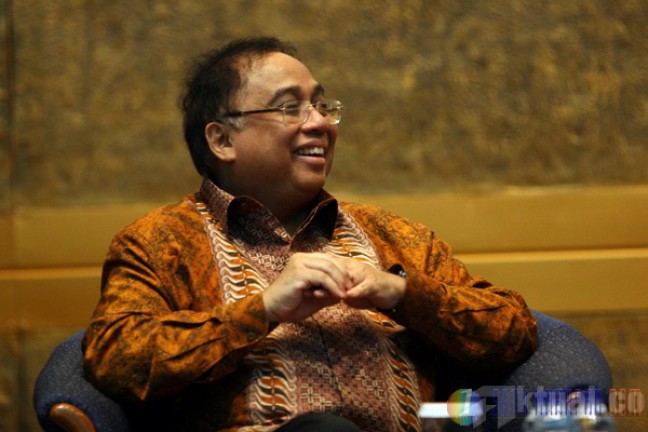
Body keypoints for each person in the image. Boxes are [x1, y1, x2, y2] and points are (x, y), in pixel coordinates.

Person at [82, 36, 537, 432]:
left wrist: (403, 293)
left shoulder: (394, 235)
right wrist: (262, 310)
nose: (319, 123)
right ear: (222, 140)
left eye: (321, 106)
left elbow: (514, 330)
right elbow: (117, 359)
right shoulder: (160, 243)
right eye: (289, 108)